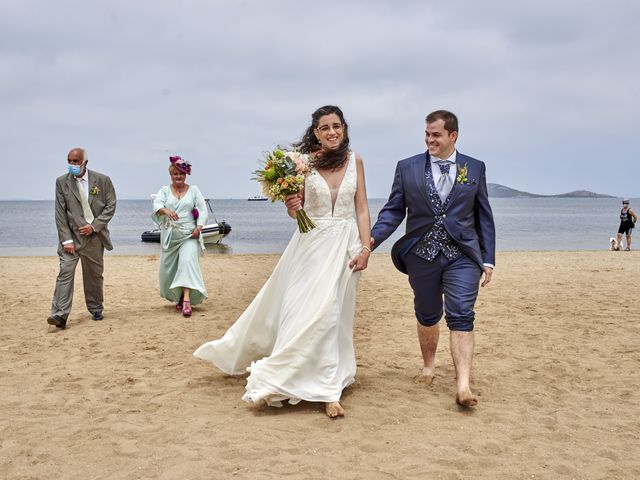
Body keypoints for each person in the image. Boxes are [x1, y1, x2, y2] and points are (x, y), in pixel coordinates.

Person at [194, 105, 371, 418]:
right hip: (311, 244)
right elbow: (295, 211)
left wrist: (366, 248)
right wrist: (292, 204)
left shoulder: (355, 161)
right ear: (315, 132)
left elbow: (361, 209)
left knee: (334, 314)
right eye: (324, 127)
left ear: (344, 128)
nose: (332, 132)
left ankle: (330, 388)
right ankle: (287, 374)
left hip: (346, 246)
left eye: (336, 126)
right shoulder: (302, 164)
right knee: (306, 311)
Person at [370, 110, 495, 407]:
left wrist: (488, 259)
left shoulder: (474, 168)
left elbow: (483, 215)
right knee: (427, 314)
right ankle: (428, 366)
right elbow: (393, 211)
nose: (430, 140)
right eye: (427, 134)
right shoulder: (407, 167)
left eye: (436, 135)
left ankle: (463, 385)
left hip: (462, 254)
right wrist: (371, 241)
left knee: (462, 313)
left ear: (453, 135)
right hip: (421, 254)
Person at [47, 147, 117, 330]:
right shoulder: (61, 182)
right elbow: (60, 213)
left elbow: (111, 206)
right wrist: (66, 240)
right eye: (69, 161)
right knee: (65, 273)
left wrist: (94, 226)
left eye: (75, 161)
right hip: (71, 238)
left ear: (85, 162)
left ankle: (95, 309)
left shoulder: (102, 180)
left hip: (94, 238)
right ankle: (59, 315)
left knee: (94, 275)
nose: (72, 164)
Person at [152, 156, 208, 317]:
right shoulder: (164, 190)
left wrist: (199, 226)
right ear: (171, 175)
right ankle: (179, 296)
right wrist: (166, 211)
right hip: (171, 236)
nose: (178, 177)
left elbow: (202, 210)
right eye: (175, 174)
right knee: (169, 271)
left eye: (181, 174)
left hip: (190, 234)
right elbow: (157, 204)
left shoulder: (194, 190)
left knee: (187, 262)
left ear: (186, 174)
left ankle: (187, 301)